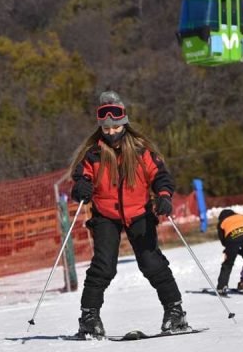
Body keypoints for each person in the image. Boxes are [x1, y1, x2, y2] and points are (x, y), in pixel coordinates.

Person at [69, 90, 189, 339]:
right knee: (104, 266)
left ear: (124, 123)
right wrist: (81, 187)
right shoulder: (93, 154)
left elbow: (160, 176)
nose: (111, 132)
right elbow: (81, 177)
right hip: (106, 215)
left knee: (151, 262)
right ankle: (89, 317)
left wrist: (164, 196)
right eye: (106, 128)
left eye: (116, 126)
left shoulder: (141, 151)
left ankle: (174, 311)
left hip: (139, 213)